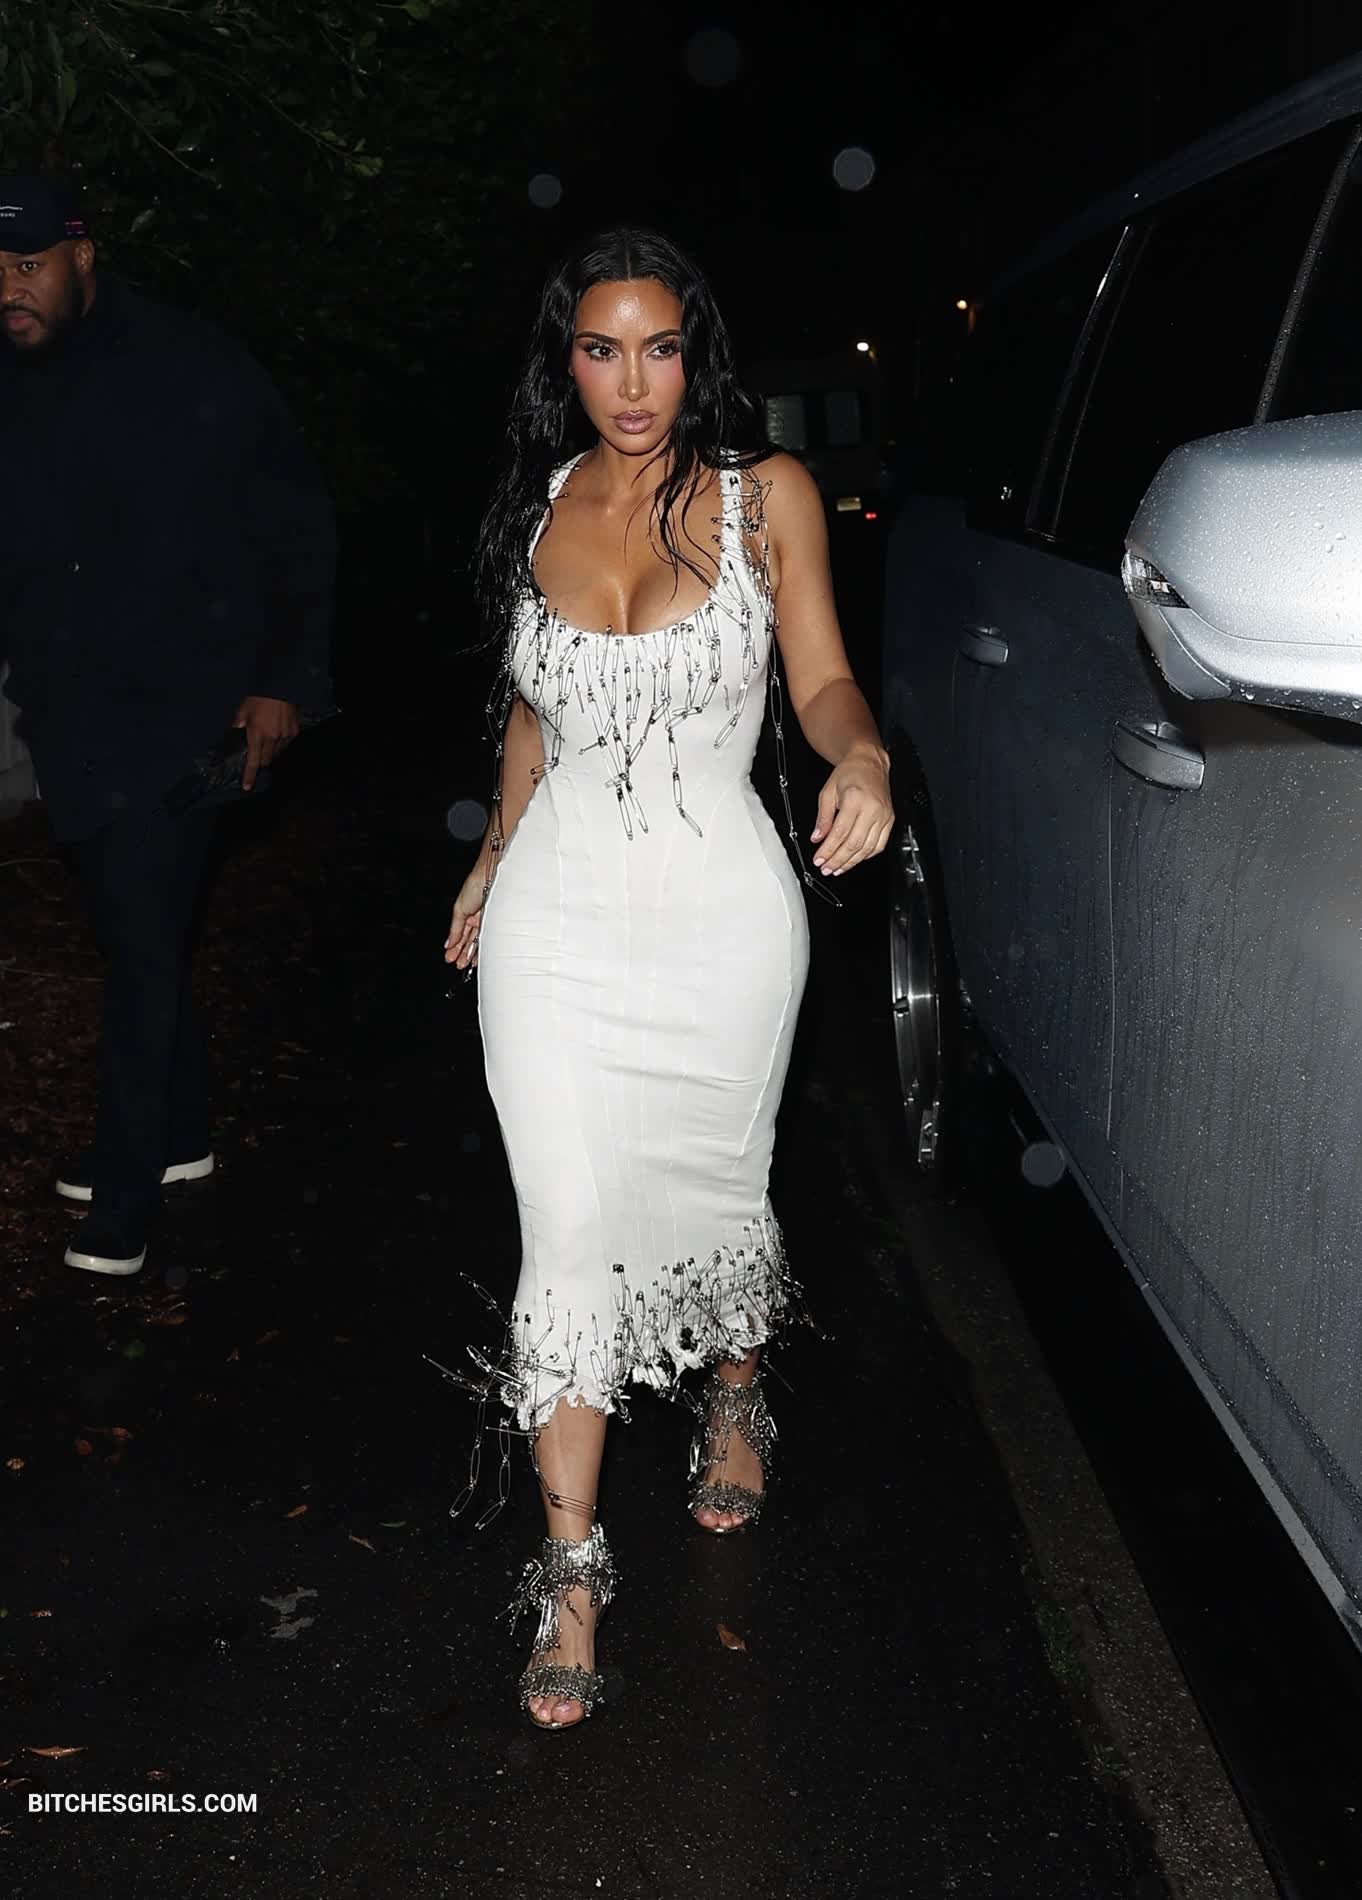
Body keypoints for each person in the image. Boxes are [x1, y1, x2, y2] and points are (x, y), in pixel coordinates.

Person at [443, 227, 894, 1731]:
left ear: (694, 353)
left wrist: (863, 757)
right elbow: (531, 714)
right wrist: (490, 859)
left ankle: (734, 1387)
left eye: (657, 348)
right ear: (563, 362)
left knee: (716, 1188)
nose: (630, 383)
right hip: (555, 920)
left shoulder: (767, 498)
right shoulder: (537, 509)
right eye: (599, 349)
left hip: (721, 917)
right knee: (565, 1230)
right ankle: (571, 1572)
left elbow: (819, 675)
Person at [0, 177, 336, 1278]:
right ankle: (181, 1131)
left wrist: (284, 680)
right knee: (126, 922)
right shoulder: (11, 378)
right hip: (69, 710)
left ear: (83, 255)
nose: (9, 289)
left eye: (28, 264)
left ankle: (126, 1191)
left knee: (142, 938)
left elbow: (295, 520)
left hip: (191, 706)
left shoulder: (193, 365)